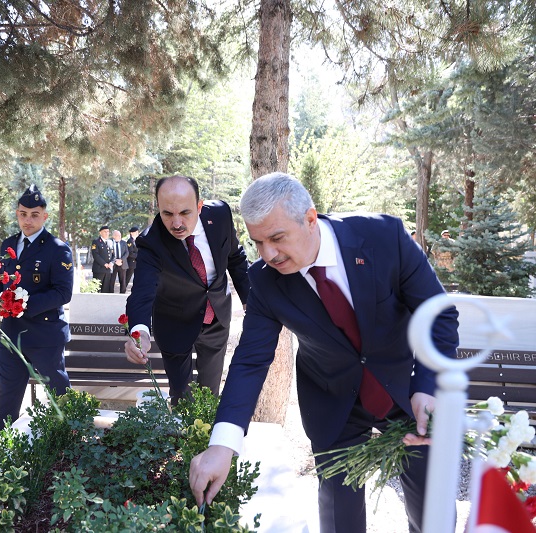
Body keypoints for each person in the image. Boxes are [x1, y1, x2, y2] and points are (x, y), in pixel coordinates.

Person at [188, 173, 460, 533]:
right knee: (340, 521)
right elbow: (251, 361)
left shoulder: (384, 237)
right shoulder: (265, 281)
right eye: (257, 243)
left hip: (409, 393)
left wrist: (429, 386)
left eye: (277, 238)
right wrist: (223, 445)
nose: (267, 254)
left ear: (310, 218)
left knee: (432, 516)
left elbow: (438, 315)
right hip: (334, 403)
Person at [123, 175, 250, 402]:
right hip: (174, 321)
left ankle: (208, 438)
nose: (177, 223)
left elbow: (235, 257)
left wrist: (250, 299)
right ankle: (182, 436)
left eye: (185, 213)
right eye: (168, 214)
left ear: (199, 207)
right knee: (181, 397)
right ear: (159, 209)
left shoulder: (220, 215)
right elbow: (142, 291)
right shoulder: (151, 242)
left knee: (209, 396)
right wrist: (140, 329)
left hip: (216, 317)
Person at [0, 184, 74, 431]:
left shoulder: (57, 248)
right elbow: (1, 279)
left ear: (44, 216)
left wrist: (23, 305)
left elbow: (62, 292)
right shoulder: (8, 245)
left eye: (35, 214)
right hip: (11, 333)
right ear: (17, 213)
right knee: (7, 392)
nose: (28, 220)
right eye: (23, 214)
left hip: (44, 334)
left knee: (58, 393)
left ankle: (69, 440)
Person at [90, 225, 113, 293]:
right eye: (105, 232)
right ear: (100, 233)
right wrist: (104, 264)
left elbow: (113, 255)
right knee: (96, 290)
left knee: (106, 290)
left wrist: (112, 262)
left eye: (108, 231)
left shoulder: (110, 242)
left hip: (108, 270)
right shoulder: (96, 242)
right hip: (99, 269)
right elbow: (95, 255)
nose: (107, 233)